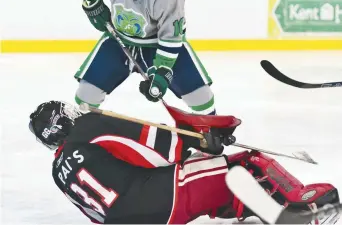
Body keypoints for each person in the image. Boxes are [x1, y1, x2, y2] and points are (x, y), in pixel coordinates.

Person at [28, 100, 340, 224]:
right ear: (65, 120)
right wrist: (201, 141)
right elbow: (161, 151)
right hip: (162, 201)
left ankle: (256, 212)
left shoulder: (58, 170)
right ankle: (301, 210)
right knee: (243, 166)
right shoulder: (88, 128)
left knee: (209, 182)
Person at [74, 0, 216, 116]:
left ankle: (211, 135)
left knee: (201, 97)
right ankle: (84, 133)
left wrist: (163, 71)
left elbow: (171, 37)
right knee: (86, 96)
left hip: (158, 43)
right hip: (119, 40)